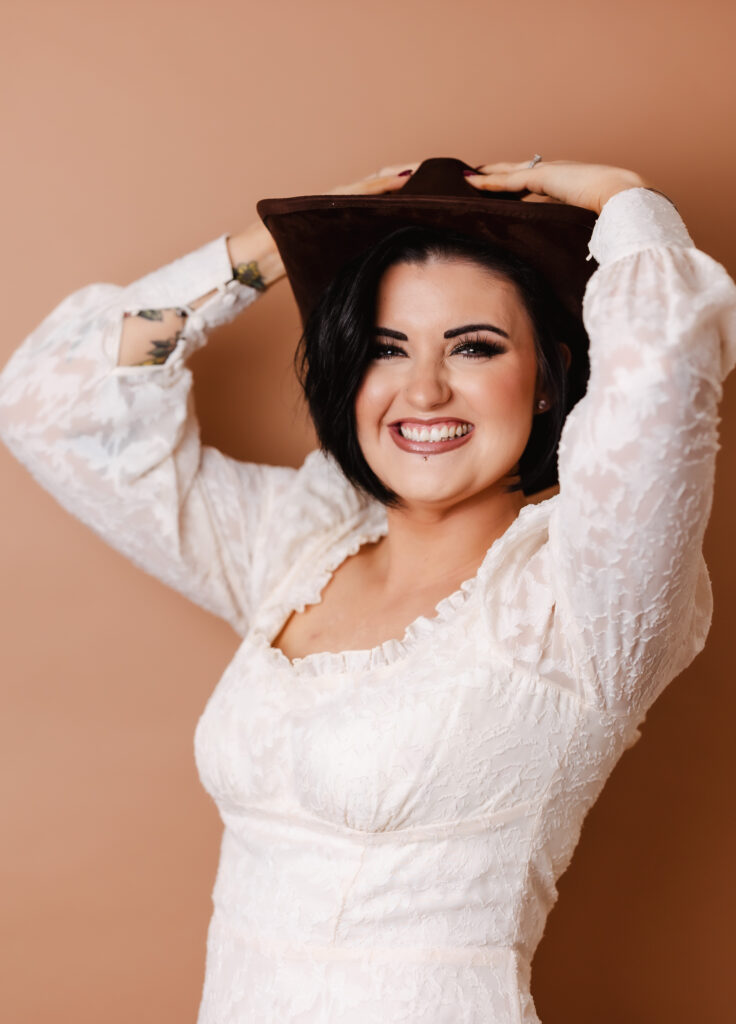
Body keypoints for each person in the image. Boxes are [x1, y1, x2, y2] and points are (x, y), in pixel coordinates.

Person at [0, 156, 734, 1023]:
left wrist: (625, 199)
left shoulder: (581, 601)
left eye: (474, 346)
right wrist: (274, 248)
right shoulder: (297, 544)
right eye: (387, 348)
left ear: (548, 380)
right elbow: (55, 409)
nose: (423, 389)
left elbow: (662, 380)